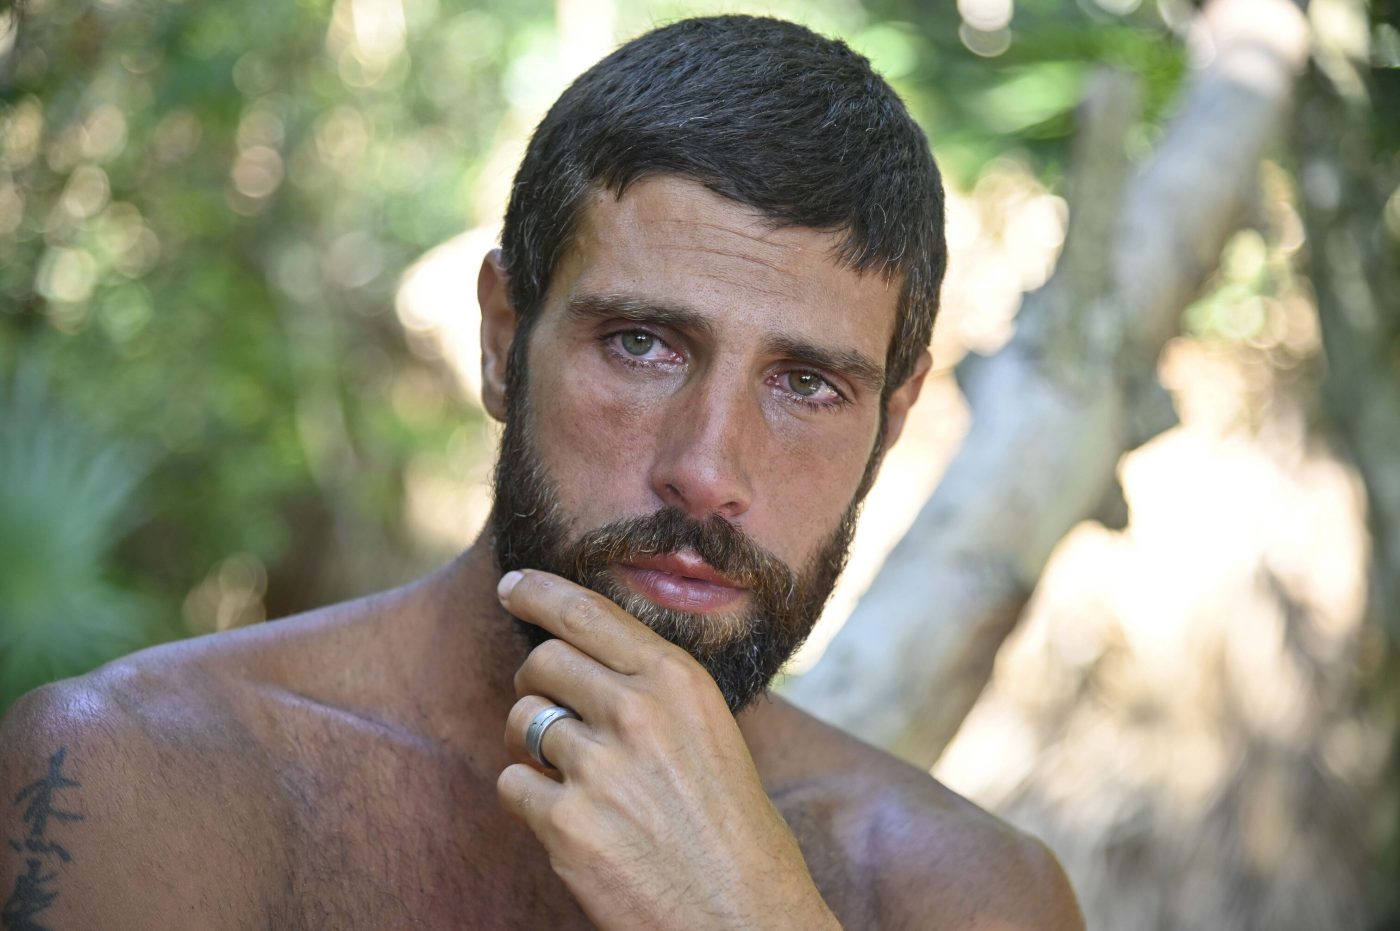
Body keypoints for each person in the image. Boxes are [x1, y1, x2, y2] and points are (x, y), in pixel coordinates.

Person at [0, 15, 1083, 929]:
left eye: (807, 383)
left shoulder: (971, 896)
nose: (707, 471)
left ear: (891, 423)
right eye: (642, 344)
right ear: (500, 340)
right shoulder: (136, 787)